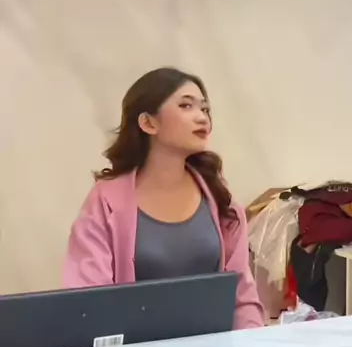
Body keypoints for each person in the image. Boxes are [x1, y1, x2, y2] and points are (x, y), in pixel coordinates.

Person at [63, 67, 265, 330]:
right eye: (186, 106)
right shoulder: (106, 202)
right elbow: (88, 300)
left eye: (204, 109)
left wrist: (252, 346)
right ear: (149, 123)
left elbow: (243, 297)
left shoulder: (219, 199)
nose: (202, 117)